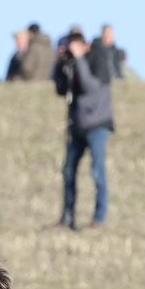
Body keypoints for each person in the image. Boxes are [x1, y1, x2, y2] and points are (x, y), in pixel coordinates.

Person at [54, 33, 113, 230]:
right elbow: (61, 89)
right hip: (77, 126)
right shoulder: (71, 64)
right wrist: (61, 63)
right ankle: (67, 218)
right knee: (68, 171)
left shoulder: (98, 58)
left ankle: (99, 218)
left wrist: (79, 59)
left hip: (97, 124)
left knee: (97, 171)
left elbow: (89, 86)